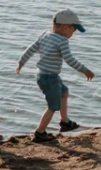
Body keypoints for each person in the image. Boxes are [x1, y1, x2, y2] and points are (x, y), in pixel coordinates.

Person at [16, 9, 95, 142]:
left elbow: (31, 49)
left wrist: (21, 63)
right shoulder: (62, 41)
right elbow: (70, 60)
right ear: (66, 27)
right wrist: (84, 70)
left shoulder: (45, 35)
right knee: (52, 107)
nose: (73, 34)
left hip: (42, 75)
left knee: (64, 92)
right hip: (50, 78)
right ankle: (39, 132)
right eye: (73, 30)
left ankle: (64, 121)